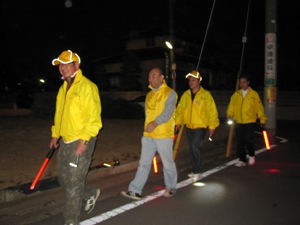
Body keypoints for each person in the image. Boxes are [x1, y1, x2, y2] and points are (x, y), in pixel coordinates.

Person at [50, 50, 102, 225]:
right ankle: (90, 193)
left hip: (82, 139)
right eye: (60, 64)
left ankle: (71, 221)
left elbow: (94, 119)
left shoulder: (88, 87)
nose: (62, 68)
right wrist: (55, 134)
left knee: (73, 183)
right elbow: (59, 115)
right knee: (63, 179)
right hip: (66, 140)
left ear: (76, 65)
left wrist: (84, 140)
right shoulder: (62, 89)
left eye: (66, 64)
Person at [121, 67, 178, 200]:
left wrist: (155, 123)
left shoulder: (170, 93)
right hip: (148, 135)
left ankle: (171, 186)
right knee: (144, 163)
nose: (150, 79)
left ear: (162, 77)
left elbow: (168, 112)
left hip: (163, 134)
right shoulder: (149, 95)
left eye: (154, 76)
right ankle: (135, 190)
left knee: (167, 163)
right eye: (149, 76)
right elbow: (148, 114)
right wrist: (147, 128)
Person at [175, 70, 219, 180]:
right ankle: (195, 170)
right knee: (192, 148)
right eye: (190, 80)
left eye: (193, 80)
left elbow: (212, 111)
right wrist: (178, 122)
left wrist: (212, 127)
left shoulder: (206, 95)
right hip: (189, 126)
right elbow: (180, 110)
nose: (191, 82)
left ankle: (197, 171)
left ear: (199, 81)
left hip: (200, 126)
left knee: (195, 147)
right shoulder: (186, 95)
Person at [227, 74, 267, 167]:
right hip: (239, 121)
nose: (242, 84)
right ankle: (242, 159)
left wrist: (262, 118)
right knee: (240, 141)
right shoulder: (236, 95)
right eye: (240, 82)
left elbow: (259, 108)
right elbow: (231, 106)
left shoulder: (254, 94)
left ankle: (251, 154)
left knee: (248, 140)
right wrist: (229, 115)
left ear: (248, 83)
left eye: (244, 82)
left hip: (250, 121)